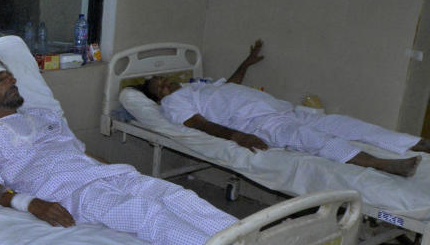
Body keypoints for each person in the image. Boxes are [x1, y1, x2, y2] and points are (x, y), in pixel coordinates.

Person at [0, 55, 237, 245]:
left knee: (176, 195)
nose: (12, 81)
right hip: (70, 191)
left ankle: (246, 239)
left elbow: (82, 153)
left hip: (104, 174)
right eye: (1, 80)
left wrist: (122, 173)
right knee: (145, 213)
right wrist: (32, 204)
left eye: (10, 76)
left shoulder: (43, 116)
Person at [141, 40, 428, 177]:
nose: (165, 85)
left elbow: (230, 86)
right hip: (262, 125)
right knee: (315, 140)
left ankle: (416, 143)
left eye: (163, 79)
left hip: (285, 109)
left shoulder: (196, 87)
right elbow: (201, 125)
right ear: (158, 99)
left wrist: (247, 61)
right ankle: (384, 164)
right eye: (159, 88)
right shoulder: (173, 104)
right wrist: (239, 138)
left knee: (347, 124)